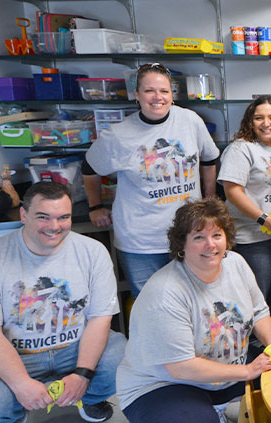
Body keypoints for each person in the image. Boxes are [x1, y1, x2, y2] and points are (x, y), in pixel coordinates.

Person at [0, 182, 126, 423]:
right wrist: (20, 383)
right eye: (43, 217)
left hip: (74, 348)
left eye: (63, 217)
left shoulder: (93, 252)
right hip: (17, 353)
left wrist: (83, 374)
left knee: (124, 357)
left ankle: (87, 397)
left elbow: (100, 319)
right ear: (23, 215)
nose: (54, 226)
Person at [116, 197, 271, 423]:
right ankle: (185, 417)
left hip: (222, 370)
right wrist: (247, 371)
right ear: (181, 244)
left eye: (217, 235)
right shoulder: (166, 292)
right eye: (198, 237)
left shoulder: (236, 263)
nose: (210, 245)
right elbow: (181, 367)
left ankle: (213, 404)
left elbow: (259, 311)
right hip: (161, 384)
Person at [83, 62, 220, 299]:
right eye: (149, 91)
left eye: (164, 91)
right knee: (152, 307)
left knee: (196, 301)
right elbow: (89, 167)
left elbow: (209, 159)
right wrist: (95, 207)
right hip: (141, 242)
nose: (158, 97)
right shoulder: (118, 135)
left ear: (172, 94)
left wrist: (210, 202)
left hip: (190, 234)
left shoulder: (190, 120)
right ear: (136, 95)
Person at [218, 96, 271, 324]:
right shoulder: (241, 149)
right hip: (252, 239)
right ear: (250, 122)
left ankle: (268, 344)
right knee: (255, 298)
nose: (266, 123)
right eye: (259, 118)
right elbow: (232, 191)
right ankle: (248, 351)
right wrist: (265, 220)